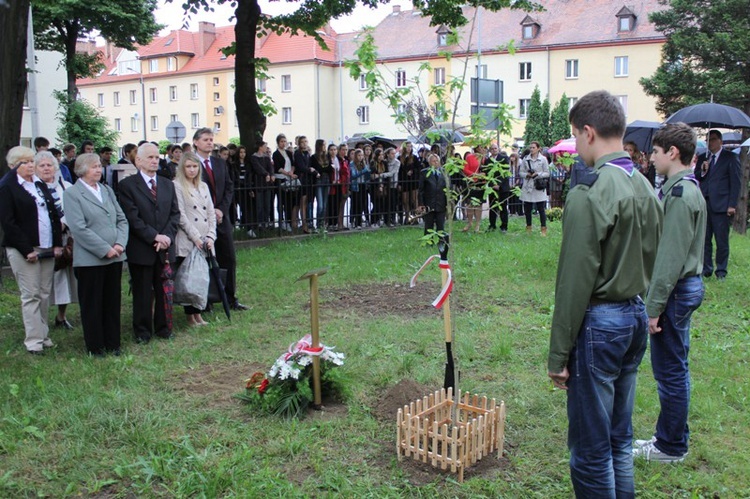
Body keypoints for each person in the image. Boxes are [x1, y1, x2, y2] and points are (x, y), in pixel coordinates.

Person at [548, 90, 663, 498]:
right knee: (618, 440)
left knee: (591, 450)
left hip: (601, 323)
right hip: (634, 315)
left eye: (576, 137)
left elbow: (574, 281)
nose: (576, 147)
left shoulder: (592, 190)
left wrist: (558, 356)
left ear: (589, 132)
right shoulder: (646, 187)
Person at [631, 123, 706, 464]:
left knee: (670, 371)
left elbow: (669, 259)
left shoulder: (679, 194)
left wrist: (653, 306)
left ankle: (670, 446)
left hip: (674, 292)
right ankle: (670, 437)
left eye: (657, 152)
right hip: (681, 289)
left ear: (673, 153)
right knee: (676, 367)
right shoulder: (684, 188)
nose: (653, 158)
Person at [63, 153, 128, 356]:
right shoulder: (73, 193)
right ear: (82, 170)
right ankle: (95, 346)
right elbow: (78, 228)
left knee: (111, 301)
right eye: (94, 167)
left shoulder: (107, 190)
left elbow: (121, 219)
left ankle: (113, 343)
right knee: (92, 304)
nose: (99, 170)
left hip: (115, 255)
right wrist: (104, 249)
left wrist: (119, 244)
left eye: (100, 166)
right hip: (90, 260)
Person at [0, 146, 63, 354]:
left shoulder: (38, 183)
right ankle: (33, 341)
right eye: (25, 163)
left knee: (44, 293)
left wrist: (56, 244)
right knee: (31, 295)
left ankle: (43, 334)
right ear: (13, 166)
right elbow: (8, 223)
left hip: (46, 246)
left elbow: (53, 214)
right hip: (23, 249)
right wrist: (27, 249)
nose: (30, 166)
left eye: (30, 162)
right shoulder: (7, 186)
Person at [118, 143, 181, 343]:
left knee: (163, 290)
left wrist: (167, 238)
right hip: (142, 248)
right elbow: (132, 218)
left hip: (165, 248)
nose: (155, 161)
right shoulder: (128, 186)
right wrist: (154, 236)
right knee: (143, 292)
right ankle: (142, 331)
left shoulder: (166, 184)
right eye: (150, 157)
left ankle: (163, 328)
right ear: (138, 161)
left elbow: (174, 214)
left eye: (157, 157)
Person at [193, 128, 248, 311]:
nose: (209, 142)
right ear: (196, 142)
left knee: (229, 258)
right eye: (206, 139)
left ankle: (230, 297)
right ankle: (205, 300)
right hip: (200, 219)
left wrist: (221, 210)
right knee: (205, 260)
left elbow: (229, 187)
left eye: (211, 139)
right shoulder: (191, 164)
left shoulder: (218, 163)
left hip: (220, 217)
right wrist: (209, 211)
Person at [35, 151, 77, 330]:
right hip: (41, 241)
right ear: (36, 169)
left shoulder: (66, 186)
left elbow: (74, 209)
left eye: (49, 165)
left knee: (64, 278)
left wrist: (63, 223)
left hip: (65, 238)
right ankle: (39, 319)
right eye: (42, 165)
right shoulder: (32, 188)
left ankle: (61, 316)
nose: (46, 168)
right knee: (41, 282)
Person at [173, 152, 216, 327]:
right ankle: (190, 317)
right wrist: (196, 238)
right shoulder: (177, 185)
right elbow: (181, 215)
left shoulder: (204, 186)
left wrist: (211, 235)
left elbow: (211, 213)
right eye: (188, 166)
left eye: (195, 166)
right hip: (188, 238)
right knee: (189, 278)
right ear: (182, 168)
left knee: (201, 277)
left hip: (206, 238)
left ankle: (198, 314)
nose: (192, 170)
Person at [694, 129, 742, 280]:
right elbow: (696, 177)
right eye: (708, 140)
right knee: (705, 239)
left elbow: (735, 182)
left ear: (720, 141)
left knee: (721, 241)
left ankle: (721, 271)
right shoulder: (703, 158)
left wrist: (732, 205)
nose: (710, 142)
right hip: (705, 203)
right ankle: (706, 268)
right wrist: (702, 170)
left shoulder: (730, 157)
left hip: (721, 205)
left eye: (713, 139)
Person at [519, 141, 550, 236]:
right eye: (530, 147)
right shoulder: (525, 159)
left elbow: (547, 173)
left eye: (533, 147)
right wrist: (527, 175)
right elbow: (521, 172)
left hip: (538, 186)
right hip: (528, 186)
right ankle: (528, 227)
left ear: (538, 148)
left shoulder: (543, 159)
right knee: (527, 209)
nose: (531, 149)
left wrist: (538, 174)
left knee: (541, 209)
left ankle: (543, 229)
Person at [272, 134, 299, 233]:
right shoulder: (275, 154)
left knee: (289, 201)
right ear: (278, 143)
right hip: (281, 179)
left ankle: (288, 221)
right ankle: (281, 221)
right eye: (281, 141)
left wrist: (291, 172)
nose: (283, 143)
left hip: (289, 178)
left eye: (285, 141)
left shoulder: (288, 152)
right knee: (281, 201)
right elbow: (278, 167)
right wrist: (287, 173)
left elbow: (293, 164)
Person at [418, 153, 448, 241]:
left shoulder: (444, 172)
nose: (435, 163)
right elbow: (421, 190)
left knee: (440, 225)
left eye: (437, 161)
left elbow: (448, 188)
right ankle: (428, 241)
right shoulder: (424, 173)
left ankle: (441, 241)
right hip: (429, 203)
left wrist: (448, 203)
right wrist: (421, 204)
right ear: (429, 163)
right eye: (433, 161)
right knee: (429, 224)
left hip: (441, 202)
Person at [486, 144, 511, 233]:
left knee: (503, 207)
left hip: (503, 187)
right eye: (492, 149)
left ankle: (504, 226)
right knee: (492, 207)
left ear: (498, 149)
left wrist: (499, 184)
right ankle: (492, 225)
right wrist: (493, 184)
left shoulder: (504, 158)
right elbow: (487, 173)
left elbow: (505, 172)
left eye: (495, 148)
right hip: (492, 188)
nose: (494, 150)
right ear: (490, 151)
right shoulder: (488, 160)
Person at [293, 136, 316, 234]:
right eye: (302, 142)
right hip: (301, 180)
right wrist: (310, 170)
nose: (304, 143)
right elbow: (302, 167)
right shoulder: (298, 153)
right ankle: (302, 224)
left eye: (306, 141)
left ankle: (300, 223)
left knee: (304, 203)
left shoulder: (307, 153)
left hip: (307, 180)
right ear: (299, 143)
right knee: (300, 203)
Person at [251, 141, 275, 232]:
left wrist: (272, 174)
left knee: (267, 204)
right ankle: (260, 223)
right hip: (259, 182)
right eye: (265, 146)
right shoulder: (254, 157)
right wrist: (266, 174)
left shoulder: (267, 157)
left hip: (267, 184)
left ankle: (266, 221)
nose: (266, 148)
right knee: (259, 205)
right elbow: (258, 168)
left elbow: (270, 167)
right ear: (260, 147)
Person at [462, 147, 484, 233]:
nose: (483, 149)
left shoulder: (484, 158)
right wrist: (474, 174)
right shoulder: (470, 157)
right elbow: (465, 169)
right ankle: (470, 222)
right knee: (470, 204)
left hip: (481, 182)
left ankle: (478, 224)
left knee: (479, 204)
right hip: (471, 181)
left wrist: (482, 175)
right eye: (481, 148)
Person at [309, 139, 329, 232]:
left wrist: (324, 169)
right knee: (320, 205)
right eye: (323, 145)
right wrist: (321, 170)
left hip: (327, 180)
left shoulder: (327, 157)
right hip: (319, 181)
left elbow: (329, 168)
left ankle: (322, 225)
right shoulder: (313, 157)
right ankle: (317, 225)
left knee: (325, 205)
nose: (324, 147)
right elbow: (316, 169)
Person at [349, 148, 370, 229]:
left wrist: (367, 173)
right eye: (359, 155)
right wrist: (363, 172)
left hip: (363, 185)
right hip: (356, 186)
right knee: (356, 204)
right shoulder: (352, 164)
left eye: (362, 155)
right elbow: (353, 176)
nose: (360, 157)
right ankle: (356, 222)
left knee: (362, 204)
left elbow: (367, 176)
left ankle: (359, 222)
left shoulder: (364, 164)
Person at [381, 147, 400, 227]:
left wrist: (382, 175)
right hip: (386, 184)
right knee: (386, 203)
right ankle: (386, 219)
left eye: (394, 153)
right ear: (388, 154)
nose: (393, 155)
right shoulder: (384, 162)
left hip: (393, 184)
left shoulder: (397, 162)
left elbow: (392, 172)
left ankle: (392, 218)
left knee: (393, 203)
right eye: (392, 153)